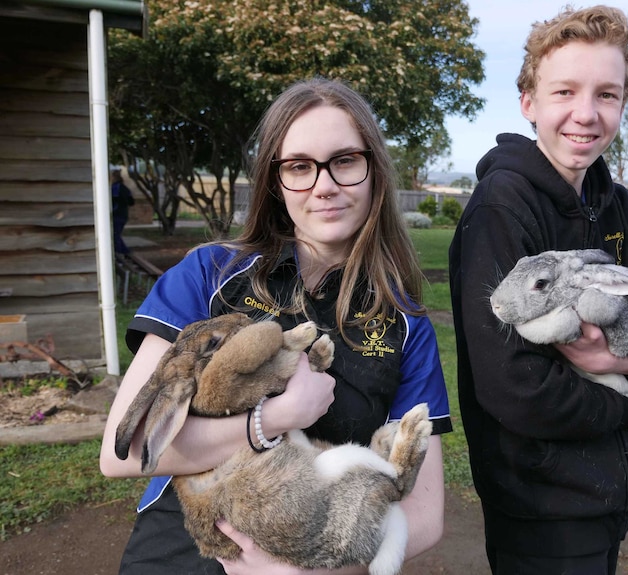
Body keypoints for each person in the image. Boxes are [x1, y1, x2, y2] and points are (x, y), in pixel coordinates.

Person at [100, 78, 452, 575]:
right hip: (177, 559)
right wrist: (275, 418)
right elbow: (123, 453)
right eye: (300, 167)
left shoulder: (405, 322)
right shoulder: (208, 275)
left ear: (374, 170)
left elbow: (425, 514)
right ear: (275, 181)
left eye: (345, 161)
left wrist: (311, 573)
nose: (324, 185)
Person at [448, 6, 628, 574]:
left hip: (614, 493)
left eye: (607, 94)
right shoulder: (503, 209)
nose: (586, 113)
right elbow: (514, 385)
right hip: (541, 505)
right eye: (565, 91)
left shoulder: (621, 209)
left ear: (624, 103)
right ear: (529, 102)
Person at [111, 169, 135, 256]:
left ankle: (121, 252)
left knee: (115, 234)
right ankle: (124, 251)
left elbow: (113, 200)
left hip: (116, 214)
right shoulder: (126, 189)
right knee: (116, 234)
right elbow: (131, 202)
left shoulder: (114, 188)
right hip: (124, 214)